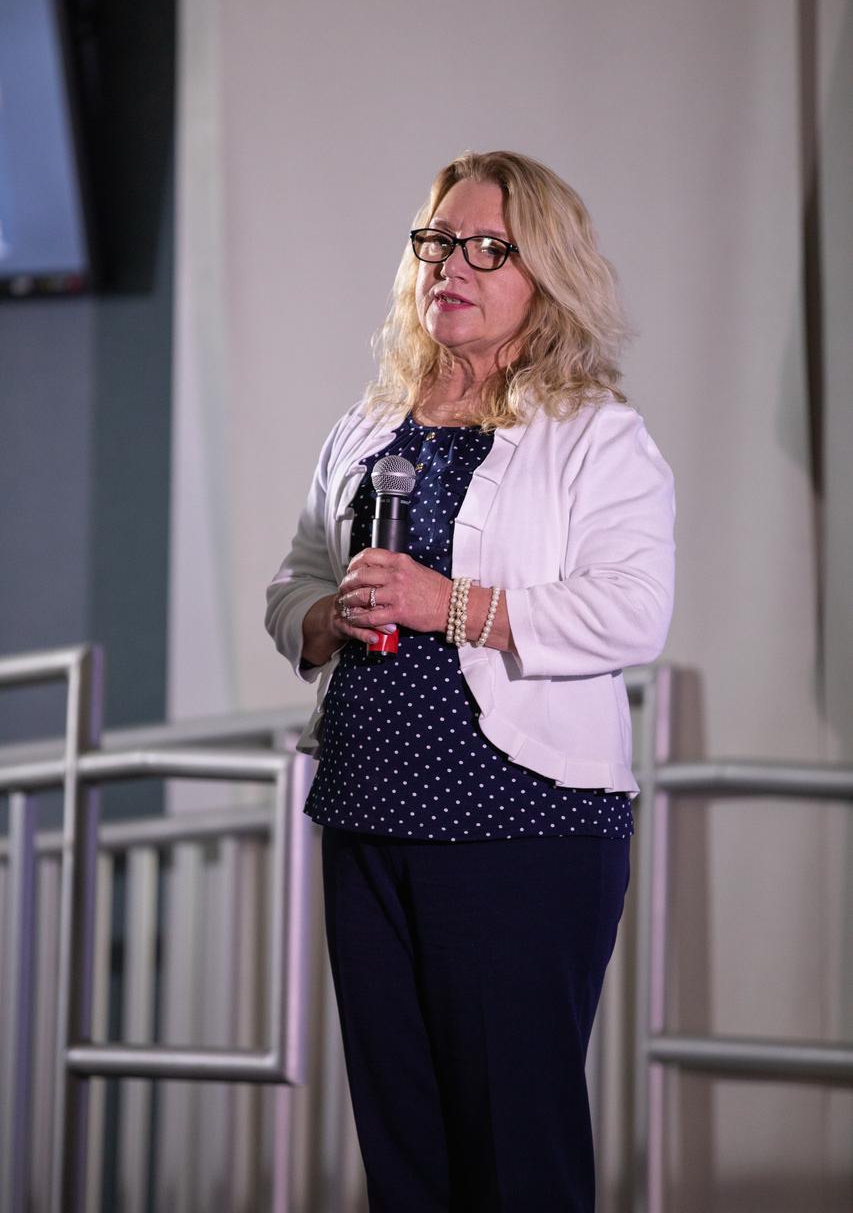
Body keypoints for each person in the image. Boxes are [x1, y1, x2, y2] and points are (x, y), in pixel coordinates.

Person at [265, 150, 675, 1212]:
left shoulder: (595, 435)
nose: (453, 263)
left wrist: (445, 603)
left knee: (513, 1158)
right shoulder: (368, 425)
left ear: (546, 277)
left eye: (489, 247)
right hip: (368, 813)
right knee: (406, 1158)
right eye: (438, 241)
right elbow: (295, 580)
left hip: (520, 827)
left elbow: (631, 607)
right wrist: (325, 615)